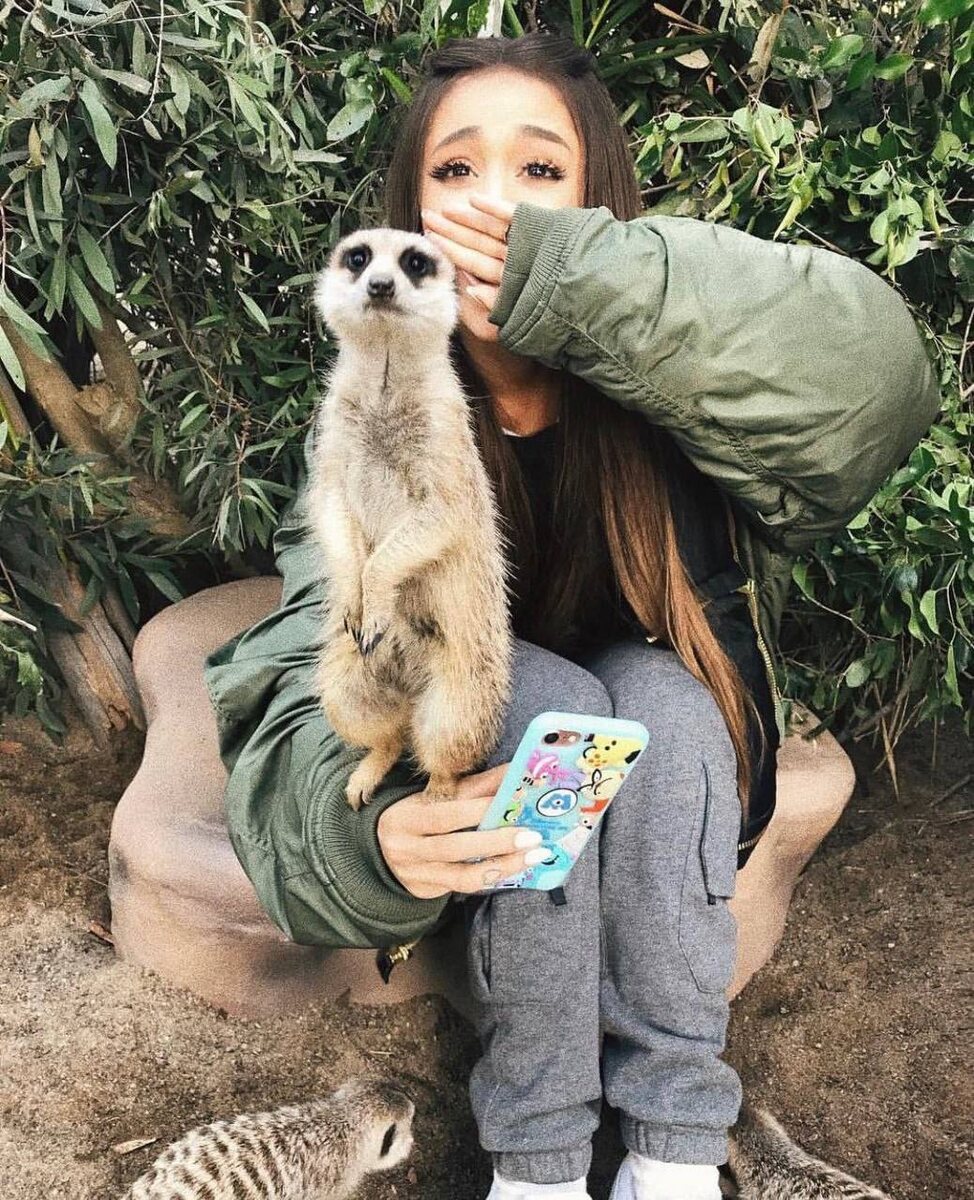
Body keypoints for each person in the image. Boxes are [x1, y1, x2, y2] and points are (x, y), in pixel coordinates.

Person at [202, 31, 941, 1200]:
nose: (491, 203)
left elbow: (877, 384)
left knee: (656, 705)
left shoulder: (683, 394)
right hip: (485, 747)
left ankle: (672, 1151)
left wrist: (574, 287)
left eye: (539, 172)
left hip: (672, 762)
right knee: (547, 699)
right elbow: (311, 659)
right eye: (454, 172)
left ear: (598, 212)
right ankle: (537, 1161)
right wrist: (370, 837)